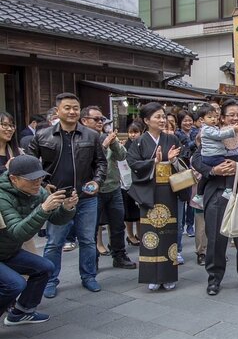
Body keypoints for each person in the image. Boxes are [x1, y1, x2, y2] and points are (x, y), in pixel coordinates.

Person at [28, 92, 107, 298]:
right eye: (67, 108)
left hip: (86, 197)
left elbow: (101, 163)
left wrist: (97, 181)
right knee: (54, 242)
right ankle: (50, 280)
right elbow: (30, 164)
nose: (72, 111)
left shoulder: (91, 135)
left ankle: (89, 276)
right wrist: (44, 185)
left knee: (88, 240)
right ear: (58, 111)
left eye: (75, 108)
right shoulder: (42, 135)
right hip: (57, 197)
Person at [191, 99, 238, 295]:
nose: (235, 118)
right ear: (221, 118)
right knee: (215, 238)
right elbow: (196, 160)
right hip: (216, 192)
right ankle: (214, 279)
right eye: (231, 114)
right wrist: (213, 170)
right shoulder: (211, 136)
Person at [0, 155, 77, 325]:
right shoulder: (2, 197)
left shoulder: (37, 191)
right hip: (7, 247)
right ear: (14, 178)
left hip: (8, 251)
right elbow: (18, 233)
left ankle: (22, 312)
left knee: (45, 267)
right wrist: (43, 209)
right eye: (32, 179)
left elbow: (57, 219)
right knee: (14, 284)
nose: (38, 182)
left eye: (40, 178)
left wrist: (67, 207)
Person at [125, 102, 183, 291]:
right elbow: (132, 163)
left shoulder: (172, 138)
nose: (161, 119)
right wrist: (153, 162)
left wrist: (172, 160)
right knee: (149, 234)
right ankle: (152, 275)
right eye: (157, 116)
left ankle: (168, 275)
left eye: (163, 116)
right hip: (149, 191)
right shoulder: (139, 142)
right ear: (146, 120)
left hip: (168, 191)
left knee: (168, 233)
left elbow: (184, 162)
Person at [80, 106, 136, 270]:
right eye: (96, 119)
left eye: (102, 119)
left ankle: (119, 256)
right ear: (84, 121)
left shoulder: (106, 136)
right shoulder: (82, 139)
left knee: (118, 225)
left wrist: (114, 143)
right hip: (92, 191)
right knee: (91, 228)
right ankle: (92, 262)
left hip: (113, 187)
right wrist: (104, 145)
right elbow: (86, 162)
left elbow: (121, 156)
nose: (100, 122)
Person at [176, 111, 198, 238]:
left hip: (195, 168)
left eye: (190, 120)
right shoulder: (177, 134)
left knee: (192, 198)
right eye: (185, 120)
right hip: (182, 169)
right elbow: (183, 150)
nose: (188, 123)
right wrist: (194, 143)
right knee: (183, 197)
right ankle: (182, 224)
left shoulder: (196, 132)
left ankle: (190, 225)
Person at [123, 122, 142, 247]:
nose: (133, 135)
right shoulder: (125, 146)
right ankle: (129, 235)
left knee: (139, 212)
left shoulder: (142, 144)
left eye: (135, 132)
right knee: (128, 212)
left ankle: (139, 234)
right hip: (126, 182)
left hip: (139, 181)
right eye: (131, 132)